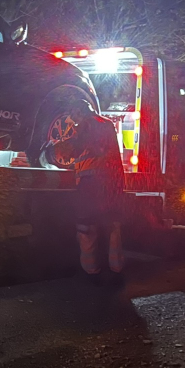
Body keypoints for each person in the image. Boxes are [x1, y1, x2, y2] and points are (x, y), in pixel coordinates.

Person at [52, 103, 127, 283]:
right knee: (113, 225)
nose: (73, 121)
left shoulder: (87, 123)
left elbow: (74, 148)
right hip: (113, 183)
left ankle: (91, 270)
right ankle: (116, 268)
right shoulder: (106, 123)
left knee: (86, 227)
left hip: (91, 184)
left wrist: (53, 149)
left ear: (79, 111)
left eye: (73, 116)